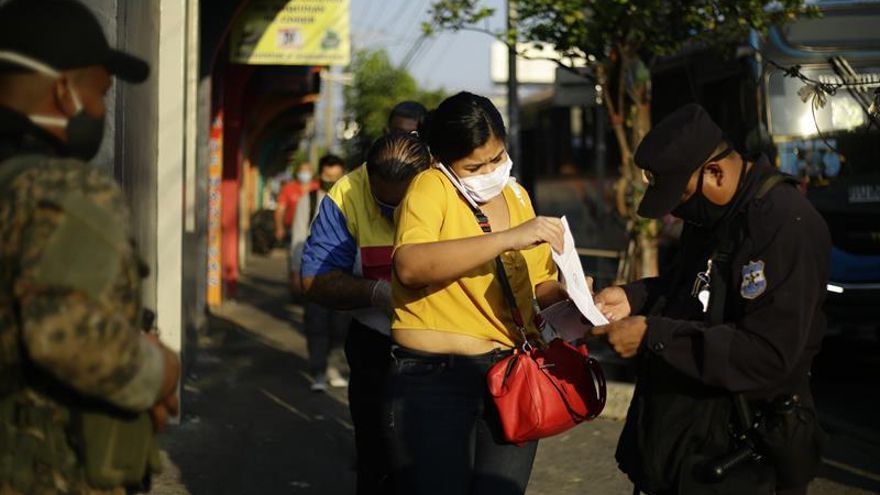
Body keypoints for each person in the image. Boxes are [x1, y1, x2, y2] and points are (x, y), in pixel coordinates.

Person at [592, 104, 830, 495]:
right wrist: (632, 298)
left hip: (741, 457)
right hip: (683, 448)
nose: (679, 212)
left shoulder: (785, 224)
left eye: (681, 196)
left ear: (715, 172)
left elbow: (768, 353)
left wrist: (655, 335)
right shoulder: (713, 214)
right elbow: (689, 289)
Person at [0, 0, 181, 493]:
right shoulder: (62, 188)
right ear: (65, 93)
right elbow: (67, 334)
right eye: (99, 92)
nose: (101, 108)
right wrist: (159, 370)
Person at [387, 91, 572, 495]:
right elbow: (411, 266)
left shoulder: (518, 196)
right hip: (436, 374)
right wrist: (507, 238)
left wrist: (574, 296)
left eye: (497, 158)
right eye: (475, 165)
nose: (490, 170)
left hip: (510, 372)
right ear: (443, 161)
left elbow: (539, 284)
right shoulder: (430, 188)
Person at [301, 100, 428, 495]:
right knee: (376, 460)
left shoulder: (451, 187)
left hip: (443, 352)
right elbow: (315, 280)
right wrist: (375, 292)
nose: (392, 214)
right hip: (375, 348)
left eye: (402, 204)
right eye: (382, 203)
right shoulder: (346, 194)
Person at [290, 153, 350, 391]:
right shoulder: (310, 200)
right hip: (314, 273)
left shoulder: (351, 200)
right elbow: (297, 238)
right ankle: (318, 372)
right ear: (320, 175)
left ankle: (334, 367)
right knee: (316, 323)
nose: (331, 180)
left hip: (344, 273)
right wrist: (296, 270)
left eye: (336, 176)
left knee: (341, 325)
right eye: (327, 176)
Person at [275, 161, 318, 244]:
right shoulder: (288, 188)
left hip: (315, 230)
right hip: (292, 229)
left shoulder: (317, 187)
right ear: (298, 172)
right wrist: (279, 228)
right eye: (302, 170)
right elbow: (280, 210)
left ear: (312, 172)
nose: (305, 173)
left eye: (307, 170)